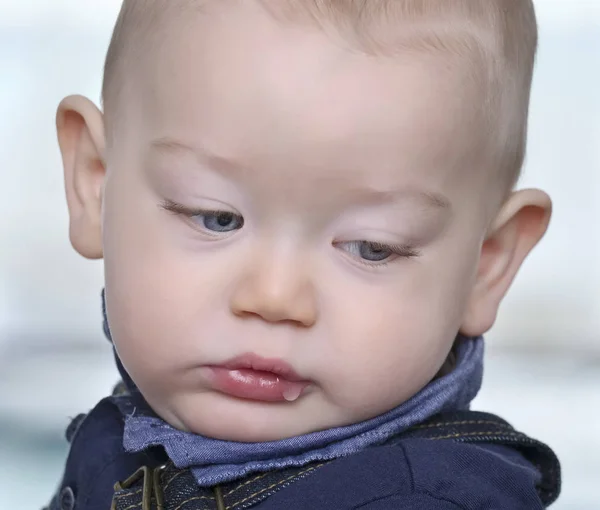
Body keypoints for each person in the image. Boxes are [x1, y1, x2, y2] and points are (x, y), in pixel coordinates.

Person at [47, 1, 561, 508]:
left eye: (371, 247)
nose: (274, 297)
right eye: (215, 217)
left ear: (485, 265)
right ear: (96, 183)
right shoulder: (133, 433)